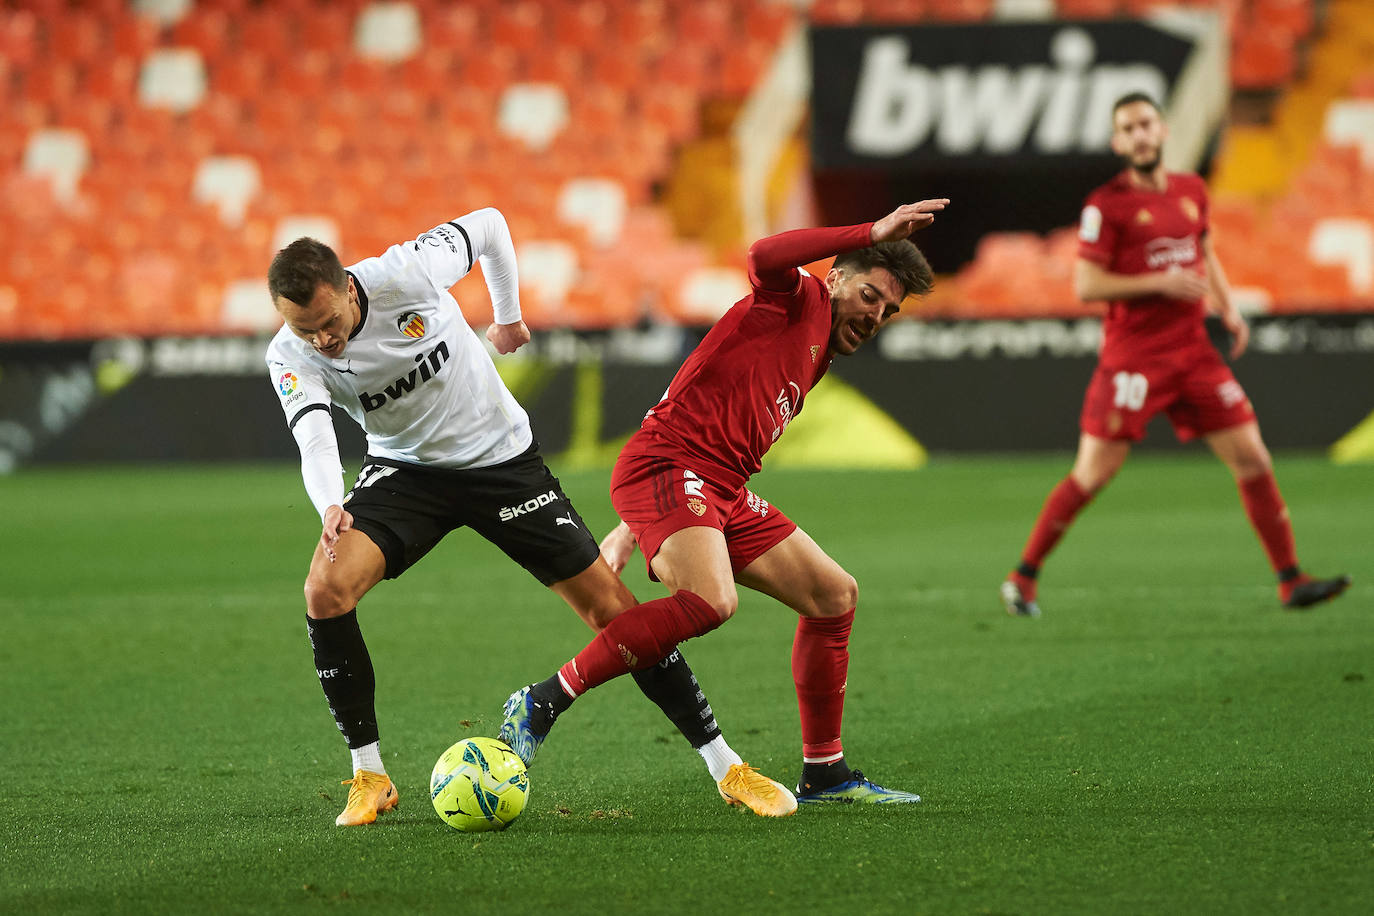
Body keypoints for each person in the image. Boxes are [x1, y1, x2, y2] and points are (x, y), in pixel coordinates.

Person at [265, 208, 794, 826]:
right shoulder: (289, 354)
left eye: (328, 323)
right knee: (324, 589)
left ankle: (726, 766)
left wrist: (507, 314)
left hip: (502, 463)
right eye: (306, 332)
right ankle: (370, 774)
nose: (322, 341)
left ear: (349, 289)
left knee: (613, 612)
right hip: (407, 474)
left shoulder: (406, 271)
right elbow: (313, 433)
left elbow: (489, 225)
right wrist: (330, 501)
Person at [499, 199, 949, 805]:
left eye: (889, 311)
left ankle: (825, 772)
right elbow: (762, 254)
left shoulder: (819, 345)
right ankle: (542, 701)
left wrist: (633, 530)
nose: (877, 316)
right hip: (673, 467)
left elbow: (700, 389)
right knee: (711, 601)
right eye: (872, 296)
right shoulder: (797, 299)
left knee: (833, 596)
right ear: (837, 276)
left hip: (718, 488)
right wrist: (872, 230)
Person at [999, 93, 1350, 618]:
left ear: (1163, 130)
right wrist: (1158, 280)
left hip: (1194, 354)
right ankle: (1023, 577)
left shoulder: (1191, 190)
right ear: (1119, 142)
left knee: (1253, 456)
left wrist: (1228, 309)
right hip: (1133, 360)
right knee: (1093, 473)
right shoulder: (1106, 205)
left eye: (1146, 124)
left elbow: (1203, 250)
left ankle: (1290, 579)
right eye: (1128, 128)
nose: (1140, 135)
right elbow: (1087, 283)